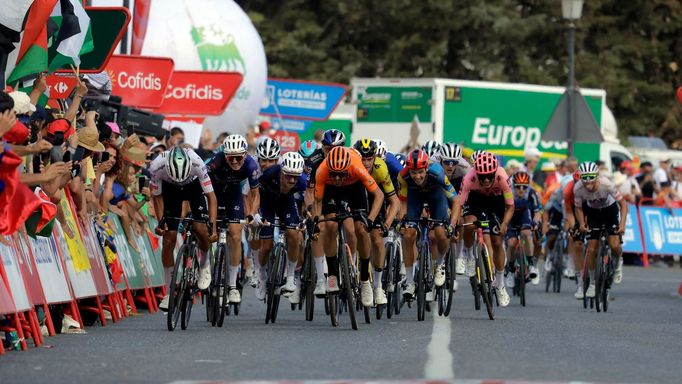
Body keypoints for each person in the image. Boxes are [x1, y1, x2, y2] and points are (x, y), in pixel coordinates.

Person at [151, 147, 218, 310]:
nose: (179, 180)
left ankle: (204, 264)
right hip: (170, 190)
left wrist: (213, 228)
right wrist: (161, 223)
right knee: (169, 238)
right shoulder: (156, 166)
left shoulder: (197, 163)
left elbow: (211, 197)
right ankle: (169, 293)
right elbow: (157, 197)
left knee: (200, 229)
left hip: (193, 186)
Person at [313, 146, 384, 299]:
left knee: (361, 230)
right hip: (331, 189)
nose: (337, 178)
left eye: (340, 174)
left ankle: (365, 280)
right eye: (334, 174)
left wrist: (370, 219)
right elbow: (318, 201)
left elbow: (379, 195)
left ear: (347, 168)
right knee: (330, 224)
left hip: (354, 187)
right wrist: (316, 221)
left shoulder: (357, 166)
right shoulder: (322, 170)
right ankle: (332, 275)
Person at [398, 149, 461, 301]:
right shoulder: (403, 176)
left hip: (436, 197)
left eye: (420, 172)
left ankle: (440, 265)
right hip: (415, 197)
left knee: (441, 232)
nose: (417, 176)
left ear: (426, 168)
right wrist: (402, 222)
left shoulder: (438, 173)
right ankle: (410, 281)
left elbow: (456, 201)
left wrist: (452, 225)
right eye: (414, 173)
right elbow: (402, 201)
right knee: (408, 234)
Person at [205, 134, 260, 304]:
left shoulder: (251, 164)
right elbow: (200, 184)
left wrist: (251, 213)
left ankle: (232, 285)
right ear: (225, 155)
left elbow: (255, 193)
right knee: (206, 231)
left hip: (233, 194)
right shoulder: (216, 161)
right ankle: (205, 267)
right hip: (213, 192)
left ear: (244, 155)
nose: (235, 161)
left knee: (235, 235)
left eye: (238, 157)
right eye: (231, 158)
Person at [460, 152, 515, 307]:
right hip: (476, 199)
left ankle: (500, 284)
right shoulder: (469, 178)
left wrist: (504, 224)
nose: (485, 180)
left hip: (496, 201)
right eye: (482, 176)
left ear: (494, 173)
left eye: (489, 176)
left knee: (497, 241)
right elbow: (459, 203)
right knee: (469, 224)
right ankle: (470, 256)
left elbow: (510, 206)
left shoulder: (502, 178)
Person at [353, 139, 401, 307]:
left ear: (375, 158)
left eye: (369, 159)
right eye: (363, 159)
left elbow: (394, 202)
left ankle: (378, 286)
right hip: (355, 197)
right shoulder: (351, 165)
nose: (366, 163)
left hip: (375, 199)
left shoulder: (380, 168)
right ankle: (349, 268)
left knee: (377, 237)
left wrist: (386, 224)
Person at [255, 151, 307, 304]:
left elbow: (308, 199)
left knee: (294, 235)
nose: (291, 180)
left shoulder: (302, 181)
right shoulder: (270, 173)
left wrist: (307, 215)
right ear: (281, 171)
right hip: (267, 204)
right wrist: (255, 213)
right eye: (288, 176)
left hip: (287, 204)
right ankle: (262, 278)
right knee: (266, 246)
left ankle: (290, 277)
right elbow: (255, 193)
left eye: (295, 177)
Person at [574, 161, 627, 298]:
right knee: (591, 249)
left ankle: (618, 263)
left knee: (615, 245)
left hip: (609, 211)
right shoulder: (578, 188)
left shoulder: (607, 185)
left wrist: (622, 224)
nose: (587, 181)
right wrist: (581, 223)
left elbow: (623, 204)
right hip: (593, 213)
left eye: (591, 177)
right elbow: (578, 208)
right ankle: (592, 283)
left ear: (597, 176)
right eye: (584, 177)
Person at [505, 171, 541, 288]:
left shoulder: (532, 193)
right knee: (511, 243)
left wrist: (535, 222)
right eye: (518, 186)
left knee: (526, 233)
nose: (521, 189)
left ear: (528, 186)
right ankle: (510, 270)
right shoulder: (507, 191)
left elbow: (537, 212)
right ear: (513, 185)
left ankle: (531, 264)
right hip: (510, 217)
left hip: (525, 216)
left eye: (524, 187)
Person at [439, 142, 470, 275]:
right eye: (447, 162)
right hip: (439, 186)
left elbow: (467, 191)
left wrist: (460, 210)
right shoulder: (432, 163)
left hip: (458, 187)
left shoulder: (465, 167)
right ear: (440, 159)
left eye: (453, 162)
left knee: (461, 218)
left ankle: (459, 257)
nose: (450, 166)